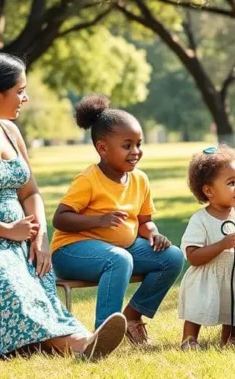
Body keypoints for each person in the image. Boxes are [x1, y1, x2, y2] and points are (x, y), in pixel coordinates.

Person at [0, 53, 125, 360]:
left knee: (31, 296)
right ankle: (80, 344)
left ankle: (77, 339)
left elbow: (31, 192)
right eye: (20, 91)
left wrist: (40, 237)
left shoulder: (10, 132)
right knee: (9, 285)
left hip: (16, 241)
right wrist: (7, 230)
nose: (25, 98)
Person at [51, 95, 184, 346]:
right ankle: (103, 333)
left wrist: (153, 233)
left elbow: (145, 220)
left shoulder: (139, 179)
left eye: (138, 144)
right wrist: (99, 220)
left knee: (173, 257)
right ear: (103, 148)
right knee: (119, 259)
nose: (136, 152)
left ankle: (131, 318)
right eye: (127, 145)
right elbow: (61, 219)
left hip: (121, 248)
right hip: (72, 253)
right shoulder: (88, 180)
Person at [179, 145, 235, 349]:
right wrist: (221, 245)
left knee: (234, 307)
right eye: (231, 183)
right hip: (207, 277)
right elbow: (192, 256)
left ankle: (230, 339)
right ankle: (189, 339)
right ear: (208, 190)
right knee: (197, 308)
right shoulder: (200, 219)